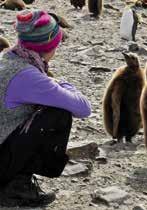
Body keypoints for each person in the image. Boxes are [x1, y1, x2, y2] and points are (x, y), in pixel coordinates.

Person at [0, 9, 91, 207]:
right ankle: (16, 186)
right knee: (58, 113)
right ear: (50, 46)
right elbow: (83, 108)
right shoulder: (28, 75)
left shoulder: (7, 60)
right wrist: (61, 84)